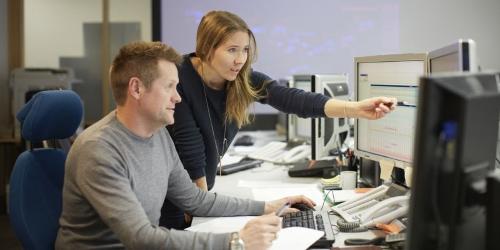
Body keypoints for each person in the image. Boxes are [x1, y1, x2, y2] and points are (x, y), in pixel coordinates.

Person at [55, 41, 315, 249]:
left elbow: (194, 200)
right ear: (136, 89)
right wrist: (237, 242)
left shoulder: (157, 134)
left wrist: (266, 207)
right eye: (169, 87)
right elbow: (141, 238)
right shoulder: (100, 150)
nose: (178, 97)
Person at [160, 10, 397, 229]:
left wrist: (355, 109)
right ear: (207, 48)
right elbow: (191, 155)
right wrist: (203, 214)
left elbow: (293, 99)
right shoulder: (179, 78)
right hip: (174, 204)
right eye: (232, 50)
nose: (240, 59)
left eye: (245, 50)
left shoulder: (240, 79)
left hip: (201, 200)